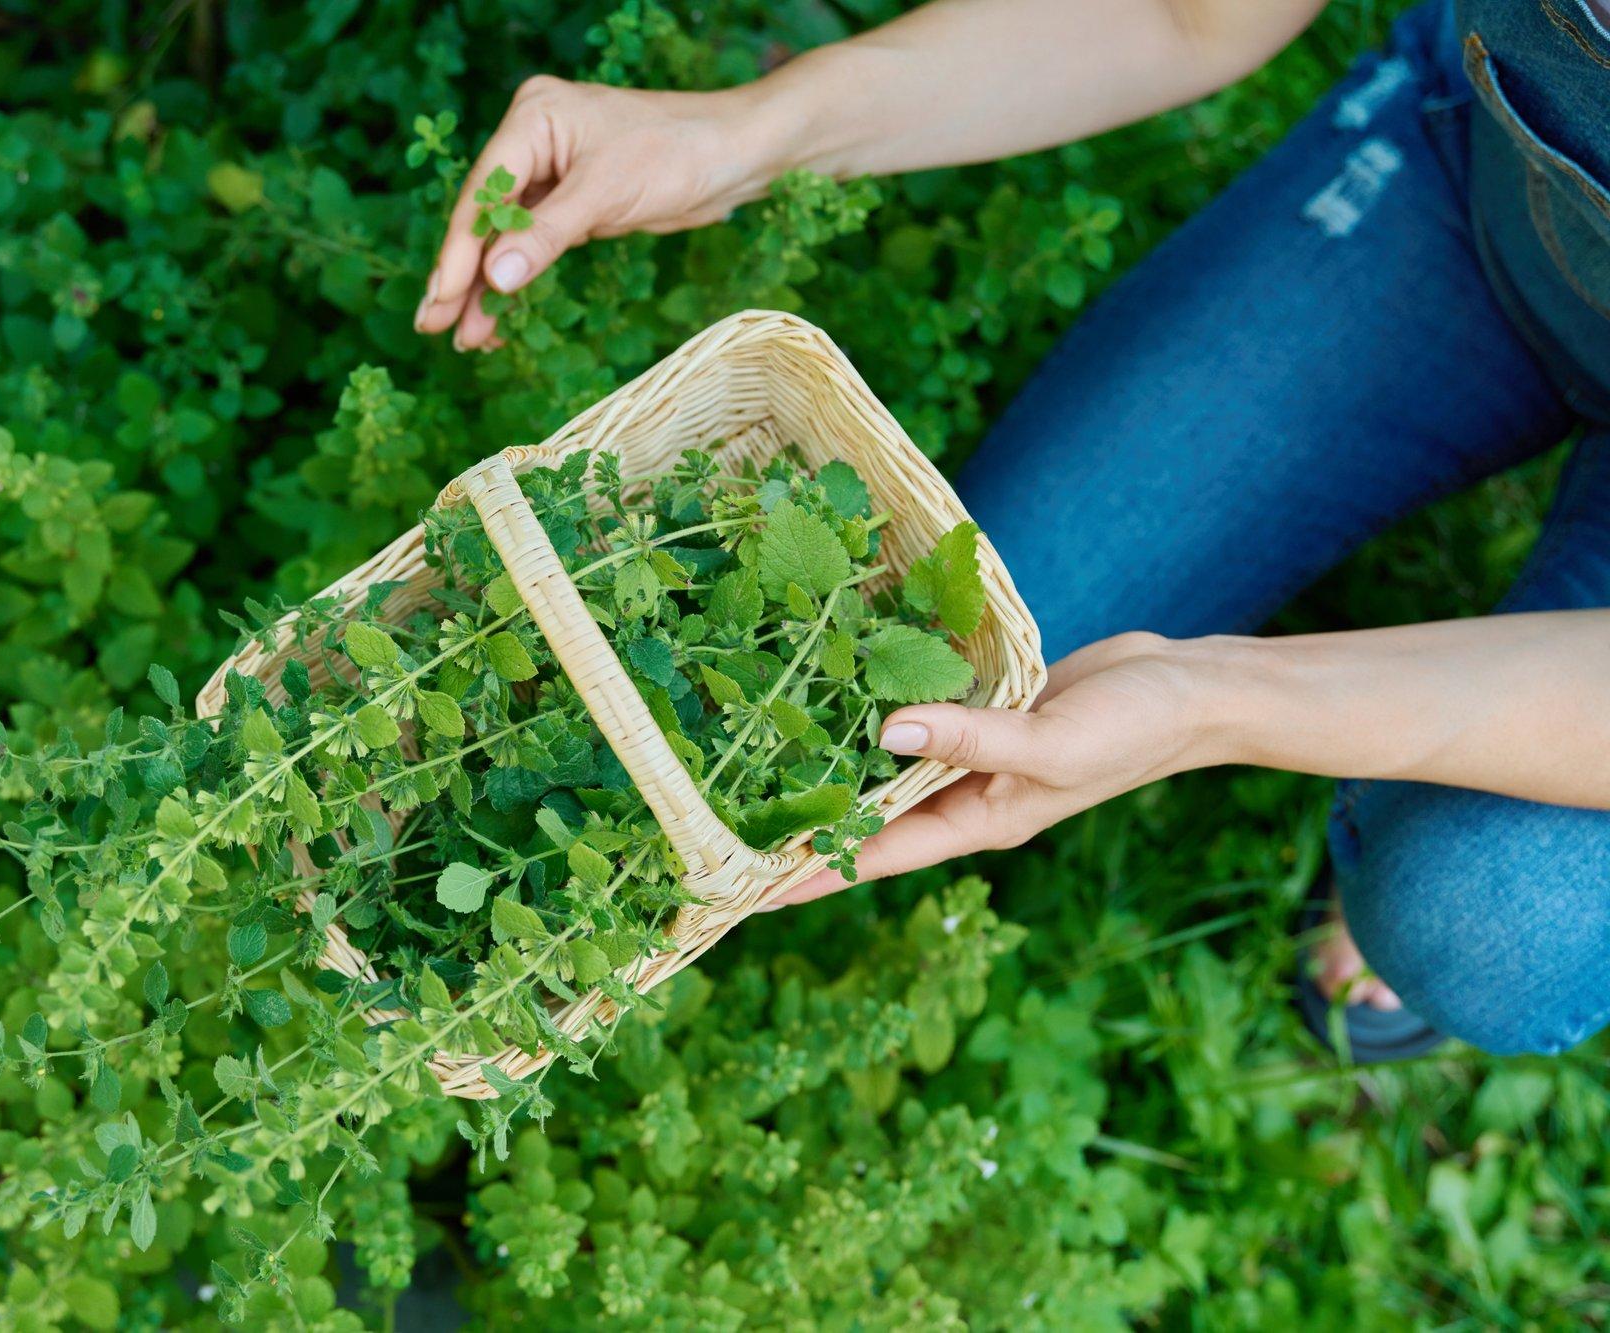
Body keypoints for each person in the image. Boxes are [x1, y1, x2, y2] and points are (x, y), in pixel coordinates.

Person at [414, 0, 1610, 1062]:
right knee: (985, 637)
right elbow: (1179, 15)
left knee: (1484, 916)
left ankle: (1414, 854)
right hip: (1493, 189)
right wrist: (741, 134)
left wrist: (1211, 703)